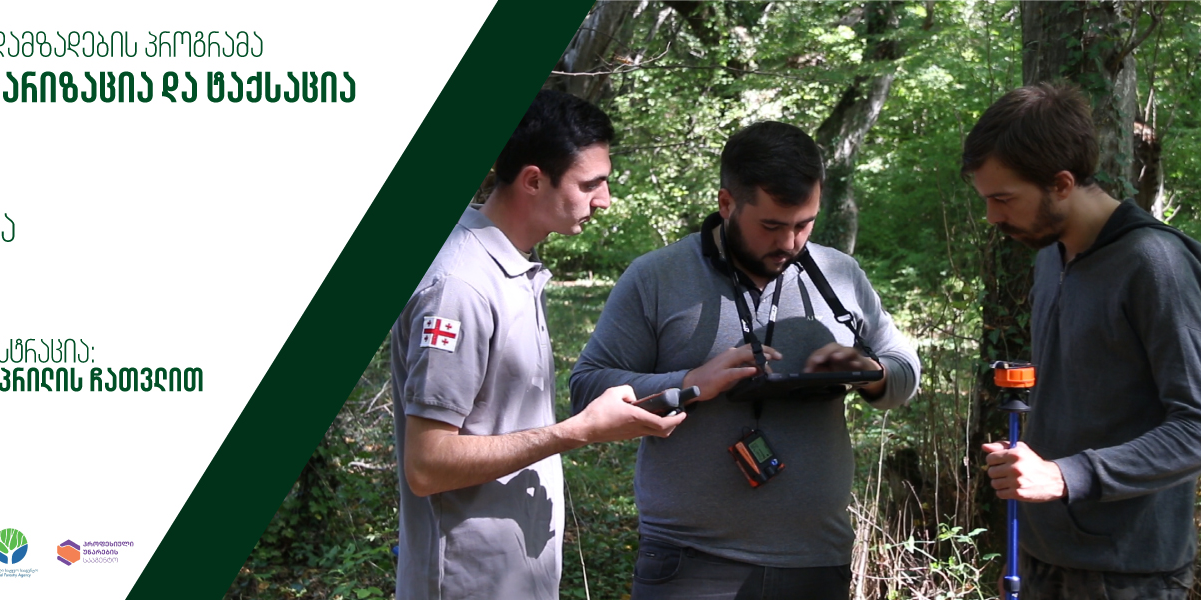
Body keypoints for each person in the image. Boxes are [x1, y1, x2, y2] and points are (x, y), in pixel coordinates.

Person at [390, 90, 755, 600]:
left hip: (515, 580)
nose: (604, 200)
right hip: (466, 583)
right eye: (590, 184)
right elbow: (427, 465)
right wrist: (578, 431)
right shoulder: (461, 286)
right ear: (533, 180)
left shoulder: (511, 268)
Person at [570, 121, 921, 600]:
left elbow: (905, 370)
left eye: (804, 224)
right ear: (726, 203)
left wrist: (871, 373)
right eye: (772, 226)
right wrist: (690, 382)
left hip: (816, 559)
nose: (791, 243)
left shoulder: (840, 275)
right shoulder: (656, 277)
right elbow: (587, 388)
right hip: (689, 559)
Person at [968, 83, 1201, 599]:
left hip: (1128, 573)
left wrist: (1064, 475)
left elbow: (1195, 425)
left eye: (1003, 199)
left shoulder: (1155, 264)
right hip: (1041, 556)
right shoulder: (1049, 258)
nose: (993, 217)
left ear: (1062, 183)